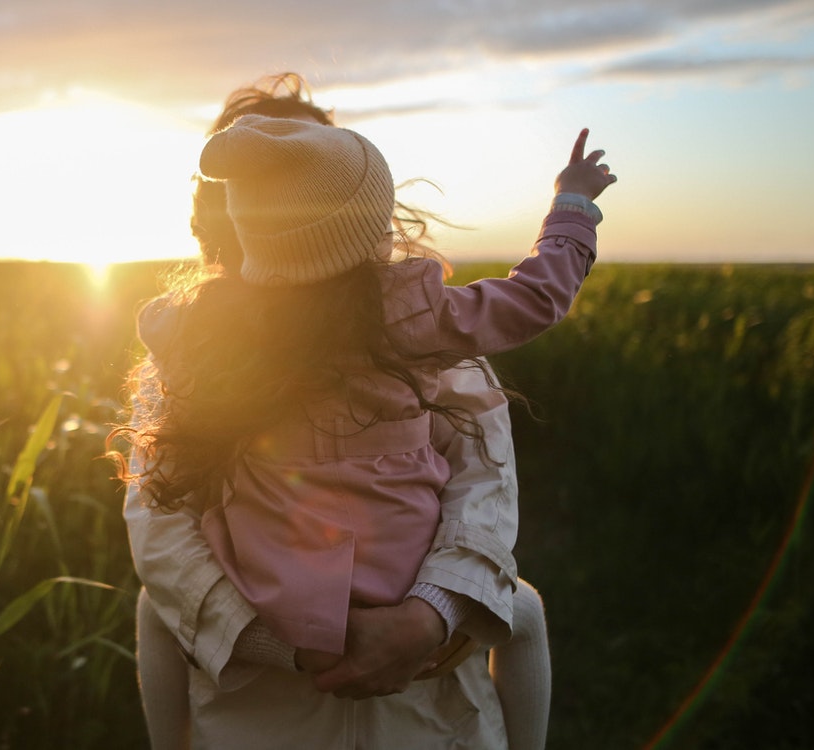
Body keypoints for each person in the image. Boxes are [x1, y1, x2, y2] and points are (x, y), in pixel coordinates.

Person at [120, 74, 612, 748]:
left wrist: (426, 617)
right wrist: (573, 209)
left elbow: (483, 485)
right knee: (521, 608)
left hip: (421, 698)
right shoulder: (414, 323)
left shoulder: (205, 337)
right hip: (259, 702)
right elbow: (160, 523)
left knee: (155, 611)